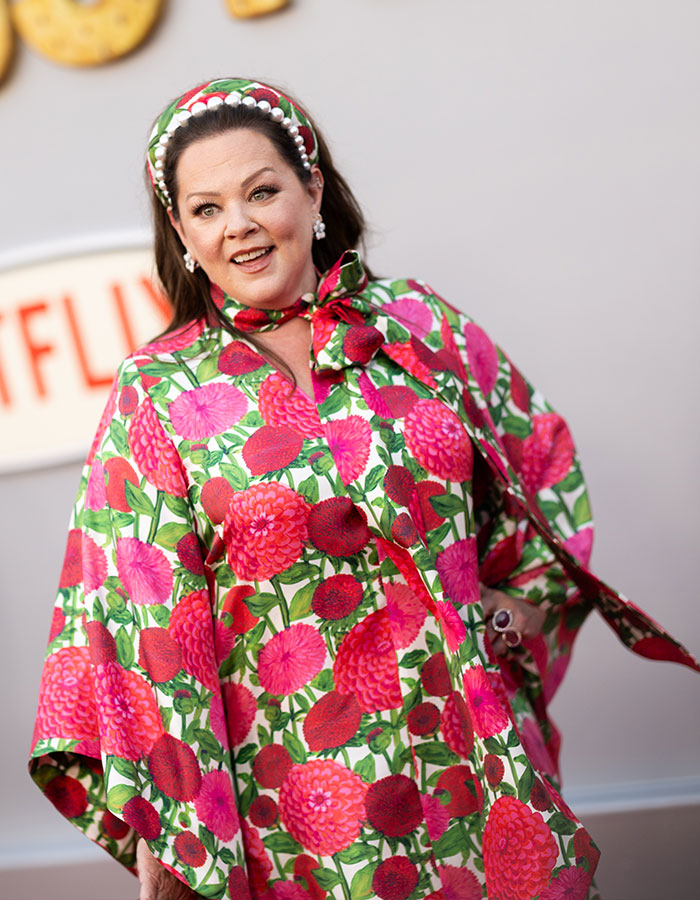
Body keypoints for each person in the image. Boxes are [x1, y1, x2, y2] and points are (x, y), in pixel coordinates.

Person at [29, 77, 698, 900]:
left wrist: (517, 608)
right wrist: (171, 847)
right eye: (205, 209)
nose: (237, 225)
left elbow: (541, 467)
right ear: (180, 228)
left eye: (262, 191)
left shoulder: (420, 327)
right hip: (300, 810)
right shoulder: (155, 393)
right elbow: (139, 633)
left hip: (476, 764)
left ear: (313, 190)